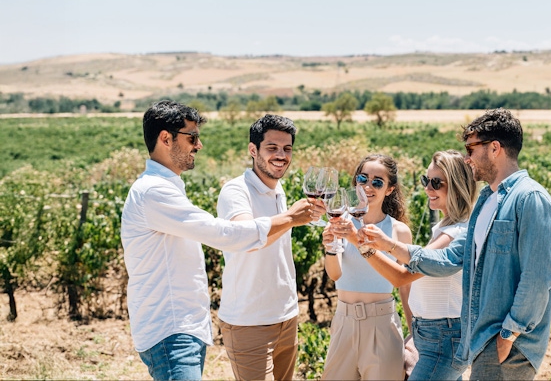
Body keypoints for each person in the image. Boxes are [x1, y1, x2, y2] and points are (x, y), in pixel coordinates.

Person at [121, 101, 322, 381]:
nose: (199, 145)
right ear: (166, 138)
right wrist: (290, 218)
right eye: (192, 137)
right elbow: (227, 235)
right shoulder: (154, 192)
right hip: (171, 330)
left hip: (184, 327)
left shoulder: (165, 188)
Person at [364, 108, 551, 380]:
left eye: (471, 149)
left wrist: (509, 334)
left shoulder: (530, 199)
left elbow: (538, 278)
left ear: (494, 148)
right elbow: (448, 260)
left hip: (507, 344)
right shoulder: (486, 202)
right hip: (482, 339)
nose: (467, 158)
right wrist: (387, 245)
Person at [216, 114, 324, 380]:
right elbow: (245, 238)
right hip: (248, 321)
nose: (281, 155)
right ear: (253, 150)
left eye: (287, 149)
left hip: (286, 316)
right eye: (272, 148)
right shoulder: (235, 191)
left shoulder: (280, 189)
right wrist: (291, 218)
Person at [358, 150, 477, 380]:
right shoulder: (444, 226)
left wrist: (363, 243)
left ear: (458, 186)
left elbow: (401, 276)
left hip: (443, 337)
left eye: (436, 182)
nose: (428, 189)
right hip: (433, 334)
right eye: (426, 180)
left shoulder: (455, 233)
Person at [321, 154, 413, 380]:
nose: (368, 186)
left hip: (383, 325)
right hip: (344, 321)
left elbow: (405, 287)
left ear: (389, 189)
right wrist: (330, 247)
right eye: (362, 179)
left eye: (377, 182)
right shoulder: (339, 223)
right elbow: (334, 274)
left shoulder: (399, 231)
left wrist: (414, 332)